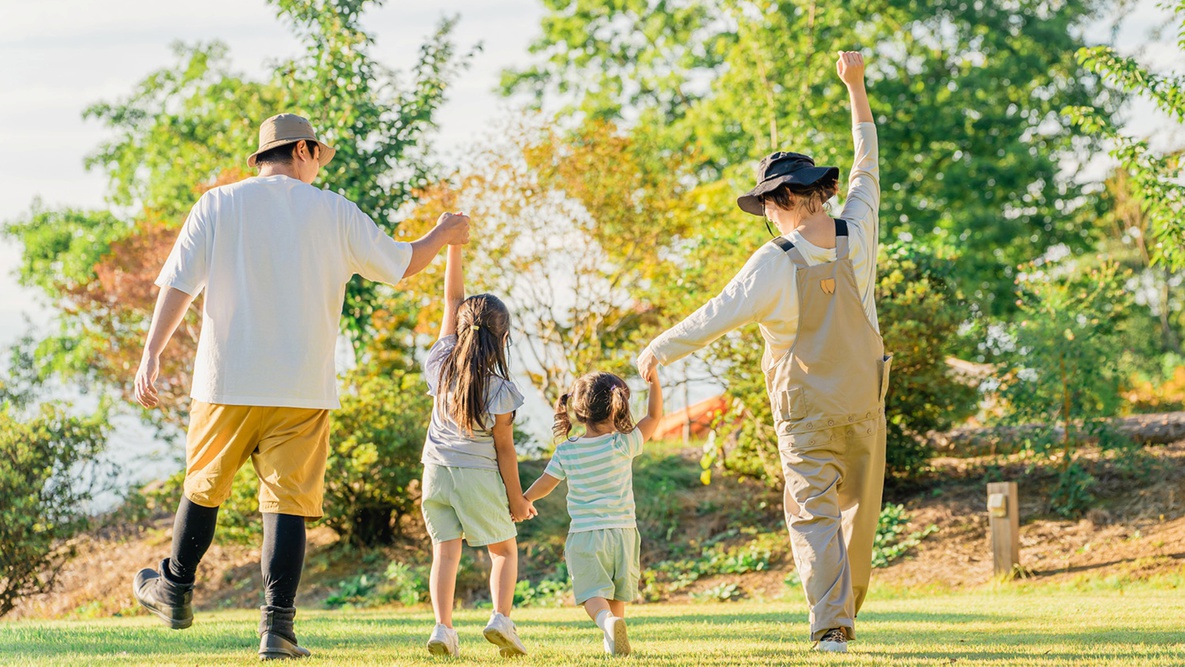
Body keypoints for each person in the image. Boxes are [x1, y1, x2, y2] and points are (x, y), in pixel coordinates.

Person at [130, 113, 470, 661]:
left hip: (226, 379)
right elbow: (404, 264)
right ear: (305, 151)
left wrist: (151, 353)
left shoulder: (217, 204)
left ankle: (175, 587)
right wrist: (445, 233)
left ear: (264, 158)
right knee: (286, 507)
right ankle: (277, 630)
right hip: (303, 388)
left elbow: (177, 285)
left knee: (203, 487)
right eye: (320, 157)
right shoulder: (334, 212)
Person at [637, 51, 887, 654]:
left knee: (812, 518)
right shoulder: (861, 229)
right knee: (859, 520)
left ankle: (832, 626)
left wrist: (658, 350)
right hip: (864, 403)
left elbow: (715, 316)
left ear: (778, 203)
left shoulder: (772, 263)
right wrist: (855, 86)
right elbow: (868, 163)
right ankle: (843, 614)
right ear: (820, 194)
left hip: (805, 414)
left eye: (767, 206)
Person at [420, 244, 536, 658]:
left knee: (445, 553)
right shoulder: (501, 391)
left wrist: (453, 246)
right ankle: (501, 618)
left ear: (458, 327)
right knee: (503, 549)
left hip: (434, 472)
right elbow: (504, 451)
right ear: (503, 337)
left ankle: (442, 628)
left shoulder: (439, 364)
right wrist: (517, 499)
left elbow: (452, 300)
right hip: (476, 475)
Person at [523, 370, 664, 656]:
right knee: (616, 592)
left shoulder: (567, 451)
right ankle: (614, 636)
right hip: (623, 533)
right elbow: (654, 418)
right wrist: (655, 381)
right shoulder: (622, 444)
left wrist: (524, 500)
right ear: (617, 404)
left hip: (586, 536)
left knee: (592, 595)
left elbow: (545, 484)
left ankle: (607, 623)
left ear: (578, 410)